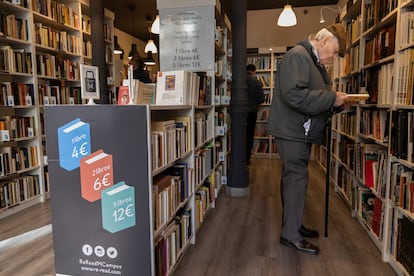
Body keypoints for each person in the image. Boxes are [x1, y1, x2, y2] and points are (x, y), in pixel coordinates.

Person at [267, 23, 351, 255]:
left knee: (294, 180)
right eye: (334, 51)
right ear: (323, 41)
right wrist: (331, 98)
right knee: (296, 180)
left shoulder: (312, 61)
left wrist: (337, 104)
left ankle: (292, 225)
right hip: (292, 132)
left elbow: (316, 100)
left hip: (298, 131)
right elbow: (294, 95)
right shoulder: (298, 56)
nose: (334, 57)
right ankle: (290, 235)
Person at [246, 64, 265, 165]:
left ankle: (237, 158)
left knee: (239, 136)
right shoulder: (256, 82)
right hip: (252, 112)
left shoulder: (239, 80)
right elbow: (261, 99)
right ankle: (246, 159)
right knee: (249, 136)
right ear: (253, 71)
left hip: (239, 113)